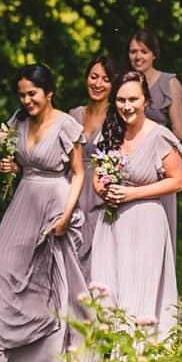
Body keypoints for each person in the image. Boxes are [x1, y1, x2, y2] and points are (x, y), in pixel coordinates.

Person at [0, 64, 91, 362]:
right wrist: (9, 166)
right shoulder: (18, 123)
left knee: (45, 279)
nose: (26, 100)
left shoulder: (67, 125)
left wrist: (66, 214)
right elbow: (20, 167)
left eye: (32, 93)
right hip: (24, 201)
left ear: (49, 92)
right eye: (22, 94)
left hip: (55, 201)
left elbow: (78, 173)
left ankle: (45, 352)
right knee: (1, 268)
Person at [85, 70, 182, 340]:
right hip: (112, 222)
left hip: (146, 220)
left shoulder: (160, 136)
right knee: (111, 283)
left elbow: (177, 181)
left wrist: (132, 194)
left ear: (146, 101)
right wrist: (105, 192)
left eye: (133, 99)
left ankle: (140, 351)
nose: (127, 106)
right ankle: (115, 346)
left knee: (139, 284)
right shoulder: (110, 133)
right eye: (120, 100)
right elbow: (96, 178)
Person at [66, 54, 117, 262]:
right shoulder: (73, 115)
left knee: (97, 253)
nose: (98, 84)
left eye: (106, 79)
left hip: (100, 193)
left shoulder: (117, 118)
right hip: (72, 188)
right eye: (94, 77)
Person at [127, 29, 182, 141]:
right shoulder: (124, 83)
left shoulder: (170, 83)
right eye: (133, 52)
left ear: (154, 55)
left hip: (157, 149)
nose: (138, 57)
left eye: (144, 52)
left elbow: (178, 133)